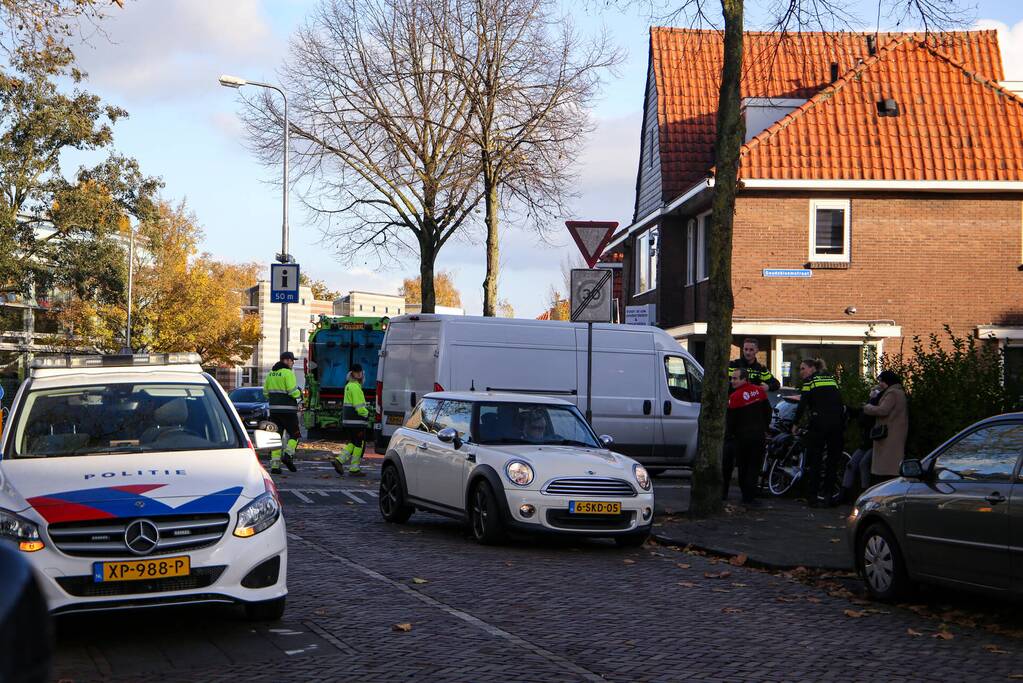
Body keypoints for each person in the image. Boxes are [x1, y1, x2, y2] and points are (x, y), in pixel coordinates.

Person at [792, 358, 844, 507]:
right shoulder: (831, 379)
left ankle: (813, 497)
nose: (801, 372)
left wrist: (795, 423)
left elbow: (802, 405)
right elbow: (838, 400)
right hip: (836, 425)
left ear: (812, 369)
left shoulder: (810, 382)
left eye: (803, 369)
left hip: (819, 425)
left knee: (815, 460)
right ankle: (828, 496)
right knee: (832, 462)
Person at [722, 368, 772, 505]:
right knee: (754, 467)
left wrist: (729, 435)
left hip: (742, 437)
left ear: (744, 379)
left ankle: (746, 496)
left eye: (735, 378)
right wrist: (765, 428)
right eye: (732, 378)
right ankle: (750, 497)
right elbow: (768, 411)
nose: (732, 381)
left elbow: (731, 421)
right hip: (758, 436)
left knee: (743, 467)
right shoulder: (759, 391)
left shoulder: (734, 397)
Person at [863, 370, 908, 482]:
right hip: (893, 434)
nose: (880, 384)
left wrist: (867, 407)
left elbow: (883, 410)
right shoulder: (897, 392)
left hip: (888, 435)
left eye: (881, 381)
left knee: (886, 469)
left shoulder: (892, 393)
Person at [263, 351, 302, 475]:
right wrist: (299, 393)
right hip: (288, 410)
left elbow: (265, 393)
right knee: (295, 435)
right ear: (287, 361)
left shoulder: (271, 373)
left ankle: (275, 466)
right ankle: (288, 455)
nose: (293, 363)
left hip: (274, 411)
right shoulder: (288, 373)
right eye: (292, 360)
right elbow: (292, 391)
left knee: (276, 437)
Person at [841, 385, 881, 501]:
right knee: (851, 464)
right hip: (865, 442)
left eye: (875, 391)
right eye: (872, 390)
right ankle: (843, 494)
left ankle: (865, 494)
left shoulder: (874, 406)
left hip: (873, 442)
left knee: (863, 464)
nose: (872, 392)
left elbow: (866, 419)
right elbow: (858, 413)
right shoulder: (868, 406)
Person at [334, 364, 369, 477]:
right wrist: (367, 414)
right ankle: (354, 469)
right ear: (352, 373)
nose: (359, 374)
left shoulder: (349, 385)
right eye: (356, 372)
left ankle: (339, 461)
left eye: (360, 372)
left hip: (349, 421)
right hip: (356, 421)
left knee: (353, 442)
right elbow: (359, 407)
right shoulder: (355, 386)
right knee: (359, 444)